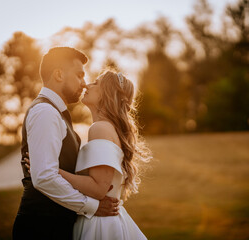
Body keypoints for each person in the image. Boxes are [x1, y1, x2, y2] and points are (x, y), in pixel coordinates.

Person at [25, 70, 152, 239]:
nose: (86, 84)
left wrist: (53, 171)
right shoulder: (106, 128)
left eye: (96, 83)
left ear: (107, 94)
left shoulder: (100, 128)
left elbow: (99, 189)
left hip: (100, 224)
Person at [12, 47, 119, 240]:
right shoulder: (45, 112)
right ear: (59, 74)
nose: (84, 84)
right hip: (41, 227)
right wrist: (92, 206)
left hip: (54, 225)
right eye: (79, 75)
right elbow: (44, 177)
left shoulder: (57, 112)